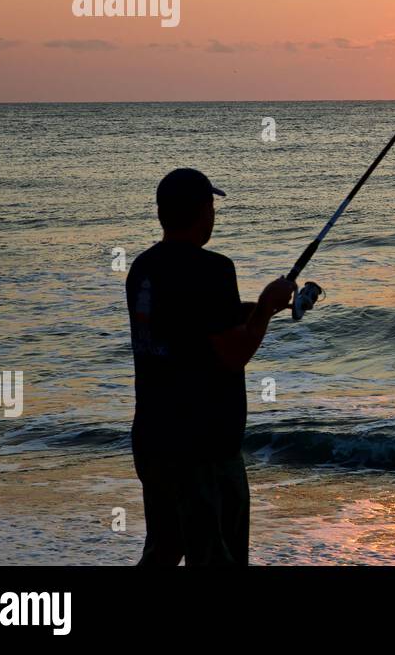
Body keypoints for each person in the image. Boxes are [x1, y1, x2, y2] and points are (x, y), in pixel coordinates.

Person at [125, 167, 296, 565]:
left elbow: (188, 323)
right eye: (211, 206)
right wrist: (267, 309)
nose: (213, 214)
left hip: (153, 438)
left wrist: (254, 308)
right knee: (219, 556)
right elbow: (234, 353)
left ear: (161, 213)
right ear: (204, 211)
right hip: (203, 447)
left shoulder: (143, 269)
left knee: (164, 550)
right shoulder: (214, 269)